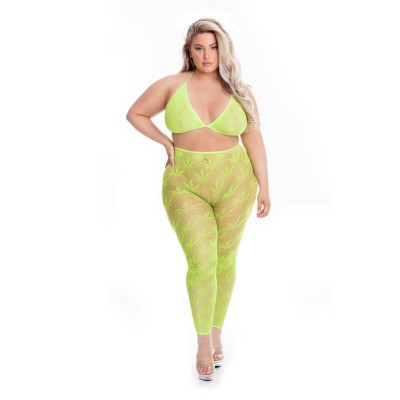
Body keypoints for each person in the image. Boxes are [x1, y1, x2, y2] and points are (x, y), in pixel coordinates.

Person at [126, 18, 270, 381]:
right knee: (201, 262)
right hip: (184, 184)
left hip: (237, 184)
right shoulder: (172, 85)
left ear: (224, 49)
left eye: (214, 47)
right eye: (199, 48)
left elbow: (254, 138)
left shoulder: (240, 91)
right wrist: (165, 142)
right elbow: (135, 113)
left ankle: (217, 331)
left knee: (225, 261)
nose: (207, 55)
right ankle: (203, 342)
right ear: (189, 52)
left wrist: (265, 187)